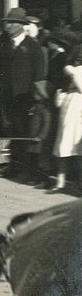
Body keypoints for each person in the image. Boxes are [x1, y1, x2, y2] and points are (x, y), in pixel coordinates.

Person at [0, 7, 49, 178]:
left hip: (24, 98)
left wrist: (39, 98)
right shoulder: (2, 46)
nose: (8, 26)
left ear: (21, 25)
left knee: (22, 134)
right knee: (4, 131)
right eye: (7, 23)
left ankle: (24, 170)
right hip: (5, 97)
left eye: (12, 23)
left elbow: (39, 75)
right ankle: (4, 165)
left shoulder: (33, 47)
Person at [52, 44, 82, 191]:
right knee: (66, 141)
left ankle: (77, 181)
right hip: (73, 104)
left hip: (76, 103)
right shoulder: (74, 70)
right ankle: (61, 180)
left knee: (78, 144)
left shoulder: (73, 71)